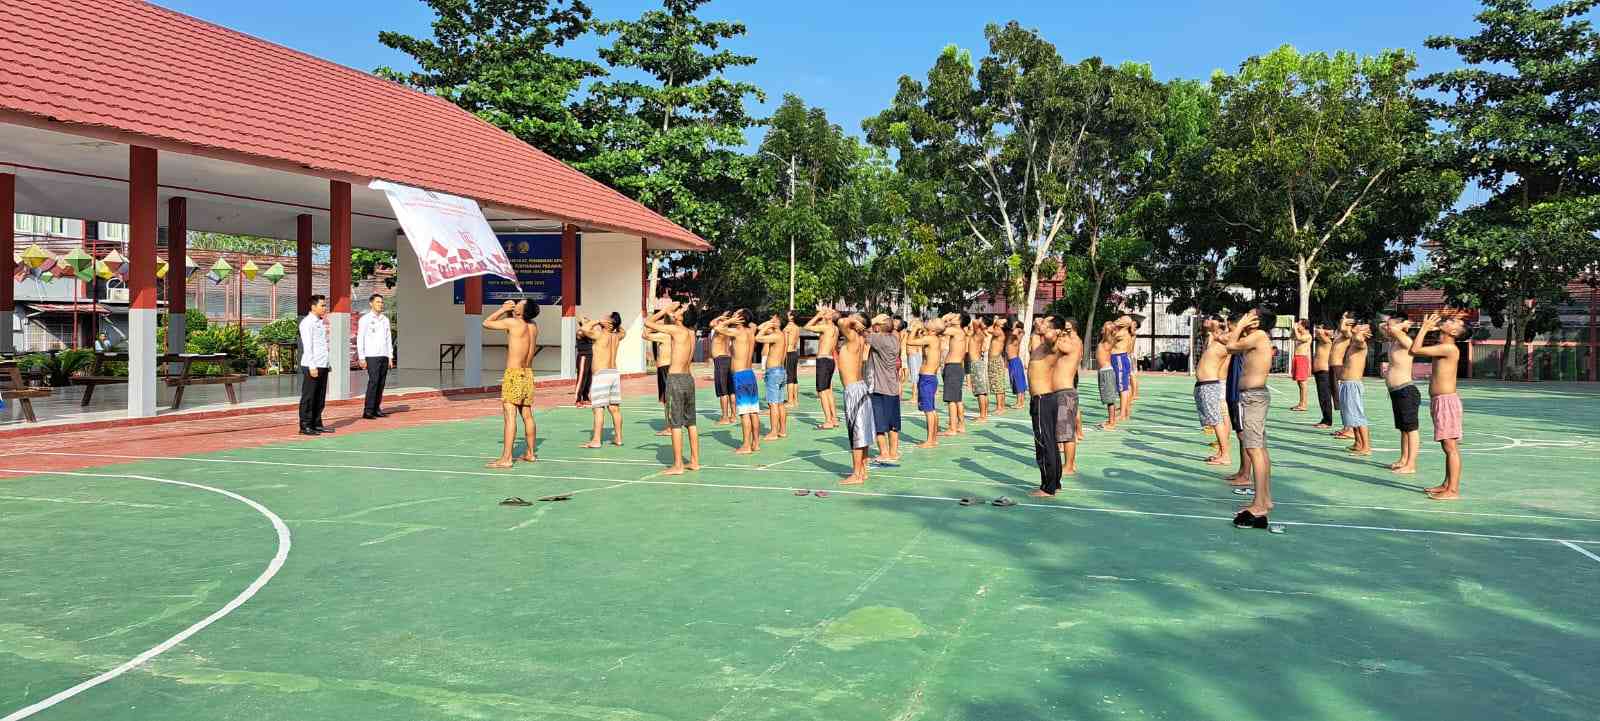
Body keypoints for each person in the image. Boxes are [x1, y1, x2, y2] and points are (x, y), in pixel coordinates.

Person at [1225, 308, 1277, 529]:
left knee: (1254, 449)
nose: (1245, 317)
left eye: (1249, 315)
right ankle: (1264, 499)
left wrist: (1240, 324)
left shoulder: (1258, 335)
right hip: (1253, 397)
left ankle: (1259, 504)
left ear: (1257, 320)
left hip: (1254, 397)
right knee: (1260, 449)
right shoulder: (1256, 337)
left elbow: (1230, 346)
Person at [1411, 313, 1469, 500]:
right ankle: (1446, 484)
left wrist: (1425, 328)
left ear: (1453, 332)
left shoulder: (1449, 348)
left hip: (1446, 401)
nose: (1449, 321)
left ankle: (1453, 490)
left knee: (1450, 446)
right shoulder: (1443, 346)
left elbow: (1415, 349)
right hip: (1440, 400)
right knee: (1447, 446)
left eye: (1453, 322)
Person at [646, 302, 701, 475]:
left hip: (676, 379)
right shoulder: (692, 333)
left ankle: (678, 465)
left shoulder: (678, 330)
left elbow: (648, 323)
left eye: (681, 311)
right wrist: (670, 313)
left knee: (675, 424)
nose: (678, 312)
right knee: (691, 423)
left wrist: (663, 310)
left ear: (682, 318)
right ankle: (694, 461)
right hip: (688, 379)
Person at [483, 300, 538, 468]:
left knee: (509, 416)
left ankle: (506, 458)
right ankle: (530, 453)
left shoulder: (513, 323)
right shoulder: (533, 326)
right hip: (527, 373)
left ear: (522, 310)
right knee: (527, 415)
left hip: (514, 374)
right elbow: (515, 333)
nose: (516, 303)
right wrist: (510, 312)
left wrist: (502, 309)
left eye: (519, 303)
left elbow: (486, 323)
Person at [835, 314, 875, 485]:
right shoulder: (857, 338)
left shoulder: (853, 337)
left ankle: (856, 474)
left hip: (854, 391)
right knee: (862, 433)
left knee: (857, 434)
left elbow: (840, 321)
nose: (850, 317)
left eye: (855, 316)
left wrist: (852, 322)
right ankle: (863, 470)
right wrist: (855, 322)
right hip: (860, 388)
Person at [717, 309, 763, 454]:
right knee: (754, 412)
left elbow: (718, 328)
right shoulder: (751, 331)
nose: (733, 316)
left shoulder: (738, 332)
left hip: (741, 376)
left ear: (740, 319)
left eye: (737, 315)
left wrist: (730, 321)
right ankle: (756, 443)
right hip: (750, 374)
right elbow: (754, 323)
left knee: (744, 413)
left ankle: (746, 445)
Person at [579, 311, 627, 448]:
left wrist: (596, 321)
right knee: (615, 408)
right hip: (613, 374)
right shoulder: (616, 336)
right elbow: (624, 331)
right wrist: (613, 324)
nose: (602, 318)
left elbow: (584, 329)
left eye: (605, 317)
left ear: (609, 323)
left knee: (598, 409)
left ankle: (596, 440)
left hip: (601, 375)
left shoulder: (600, 335)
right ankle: (618, 438)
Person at [1381, 317, 1422, 475]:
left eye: (1391, 324)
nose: (1388, 327)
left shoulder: (1405, 340)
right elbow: (1381, 326)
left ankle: (1411, 464)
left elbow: (1393, 330)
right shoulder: (1394, 342)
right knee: (1403, 429)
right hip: (1396, 391)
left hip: (1406, 391)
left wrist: (1401, 325)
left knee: (1411, 429)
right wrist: (1395, 324)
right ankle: (1403, 459)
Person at [1027, 315, 1061, 497]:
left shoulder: (1052, 345)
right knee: (1049, 441)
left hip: (1043, 400)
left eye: (1048, 324)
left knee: (1044, 443)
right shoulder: (1040, 347)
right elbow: (1035, 338)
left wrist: (1045, 327)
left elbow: (1050, 336)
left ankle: (1047, 488)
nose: (1041, 325)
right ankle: (1055, 482)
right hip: (1041, 399)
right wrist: (1039, 327)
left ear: (1056, 331)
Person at [1193, 317, 1232, 467]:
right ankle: (1221, 453)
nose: (1207, 320)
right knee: (1214, 420)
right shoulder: (1213, 339)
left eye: (1211, 319)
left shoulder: (1225, 339)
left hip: (1210, 384)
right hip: (1203, 384)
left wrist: (1221, 328)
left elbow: (1230, 335)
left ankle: (1225, 454)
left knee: (1217, 419)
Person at [864, 314, 903, 465]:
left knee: (879, 425)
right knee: (893, 424)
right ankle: (893, 453)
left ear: (879, 327)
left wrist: (874, 320)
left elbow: (862, 329)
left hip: (880, 388)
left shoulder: (879, 339)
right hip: (893, 388)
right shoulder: (895, 339)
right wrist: (884, 322)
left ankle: (884, 453)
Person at [297, 295, 333, 436]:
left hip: (322, 363)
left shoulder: (320, 322)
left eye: (325, 305)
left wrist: (327, 363)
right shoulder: (307, 323)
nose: (324, 308)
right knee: (309, 396)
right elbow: (308, 346)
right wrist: (312, 366)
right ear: (313, 307)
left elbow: (323, 345)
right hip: (312, 364)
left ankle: (316, 423)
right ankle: (305, 425)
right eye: (322, 305)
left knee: (320, 397)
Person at [1051, 320, 1083, 478]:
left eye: (1068, 330)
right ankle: (1068, 463)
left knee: (1066, 433)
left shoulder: (1075, 343)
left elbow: (1057, 344)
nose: (1064, 334)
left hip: (1065, 393)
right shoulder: (1069, 342)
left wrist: (1055, 334)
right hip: (1060, 393)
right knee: (1062, 431)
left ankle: (1069, 465)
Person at [357, 294, 394, 420]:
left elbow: (388, 338)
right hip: (371, 355)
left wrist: (390, 356)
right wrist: (361, 357)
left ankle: (376, 408)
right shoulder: (365, 319)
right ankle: (368, 410)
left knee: (381, 383)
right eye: (378, 302)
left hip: (383, 354)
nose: (381, 304)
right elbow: (360, 338)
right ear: (371, 303)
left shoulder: (385, 319)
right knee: (373, 382)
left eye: (382, 302)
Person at [907, 319, 944, 447]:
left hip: (927, 378)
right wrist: (921, 330)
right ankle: (933, 438)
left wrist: (914, 328)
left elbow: (910, 342)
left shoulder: (932, 339)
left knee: (929, 410)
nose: (928, 321)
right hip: (928, 377)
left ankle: (930, 440)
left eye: (931, 322)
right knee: (931, 410)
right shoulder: (932, 338)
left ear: (933, 330)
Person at [1339, 320, 1373, 456]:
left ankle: (1366, 447)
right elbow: (1345, 329)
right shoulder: (1353, 343)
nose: (1356, 327)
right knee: (1351, 416)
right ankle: (1358, 443)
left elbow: (1358, 337)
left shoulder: (1361, 344)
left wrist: (1361, 332)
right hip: (1347, 384)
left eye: (1361, 326)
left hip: (1352, 384)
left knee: (1358, 416)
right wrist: (1345, 320)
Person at [804, 309, 840, 429]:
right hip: (830, 361)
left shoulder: (826, 327)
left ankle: (828, 420)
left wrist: (817, 315)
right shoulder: (835, 328)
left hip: (823, 361)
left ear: (831, 317)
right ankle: (834, 418)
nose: (825, 311)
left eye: (829, 312)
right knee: (828, 391)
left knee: (822, 391)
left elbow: (807, 326)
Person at [756, 313, 789, 440]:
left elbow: (758, 337)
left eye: (774, 318)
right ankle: (782, 430)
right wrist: (769, 324)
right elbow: (760, 328)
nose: (771, 320)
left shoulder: (776, 335)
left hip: (774, 372)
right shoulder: (782, 334)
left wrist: (768, 326)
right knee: (780, 403)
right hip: (780, 371)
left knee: (773, 404)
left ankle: (774, 432)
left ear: (779, 322)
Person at [940, 312, 969, 436]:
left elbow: (939, 328)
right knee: (957, 399)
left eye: (956, 317)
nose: (953, 317)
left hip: (953, 367)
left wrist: (945, 317)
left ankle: (952, 428)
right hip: (956, 367)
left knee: (951, 400)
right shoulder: (961, 332)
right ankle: (960, 425)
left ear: (959, 321)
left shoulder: (957, 331)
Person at [1329, 314, 1354, 438]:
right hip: (1335, 368)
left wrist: (1344, 318)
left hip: (1341, 368)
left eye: (1344, 321)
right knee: (1342, 400)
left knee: (1346, 401)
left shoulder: (1348, 333)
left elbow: (1344, 328)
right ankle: (1346, 427)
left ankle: (1350, 429)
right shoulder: (1340, 333)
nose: (1341, 322)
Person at [709, 311, 735, 424]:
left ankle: (725, 417)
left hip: (720, 360)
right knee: (731, 390)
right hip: (729, 359)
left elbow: (711, 323)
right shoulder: (729, 331)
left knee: (723, 391)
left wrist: (721, 317)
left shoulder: (719, 330)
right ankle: (733, 415)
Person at [1111, 315, 1137, 420]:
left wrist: (1114, 323)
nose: (1119, 319)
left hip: (1119, 359)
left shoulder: (1121, 333)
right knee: (1123, 387)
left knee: (1122, 388)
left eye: (1121, 319)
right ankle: (1125, 411)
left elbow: (1107, 333)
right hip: (1121, 358)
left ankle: (1122, 414)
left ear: (1125, 324)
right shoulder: (1125, 332)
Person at [1095, 322, 1120, 430]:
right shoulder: (1103, 341)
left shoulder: (1108, 341)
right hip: (1103, 372)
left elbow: (1112, 335)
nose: (1102, 328)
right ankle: (1110, 420)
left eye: (1104, 327)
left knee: (1110, 399)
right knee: (1107, 398)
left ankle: (1112, 422)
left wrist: (1110, 327)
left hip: (1107, 372)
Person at [965, 316, 990, 423]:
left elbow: (974, 322)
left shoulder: (979, 333)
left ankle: (983, 416)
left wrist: (979, 321)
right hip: (977, 363)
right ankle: (983, 414)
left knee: (981, 392)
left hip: (976, 364)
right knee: (982, 392)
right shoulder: (979, 333)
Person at [1311, 323, 1335, 428]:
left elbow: (1319, 332)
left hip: (1324, 372)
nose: (1317, 330)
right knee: (1322, 397)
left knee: (1325, 397)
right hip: (1319, 372)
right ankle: (1324, 418)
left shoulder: (1327, 341)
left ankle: (1327, 421)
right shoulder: (1321, 341)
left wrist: (1324, 330)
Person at [987, 316, 1010, 413]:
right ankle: (1001, 406)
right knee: (998, 384)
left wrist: (994, 322)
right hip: (994, 360)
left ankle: (1000, 407)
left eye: (1001, 321)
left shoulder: (999, 332)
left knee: (998, 385)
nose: (998, 321)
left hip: (996, 361)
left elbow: (989, 329)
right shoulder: (998, 331)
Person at [1290, 319, 1312, 411]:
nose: (1297, 325)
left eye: (1299, 324)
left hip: (1302, 359)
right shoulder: (1299, 334)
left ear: (1303, 326)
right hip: (1297, 358)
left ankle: (1304, 405)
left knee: (1303, 383)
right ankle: (1301, 403)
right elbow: (1292, 337)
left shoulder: (1307, 335)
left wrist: (1295, 329)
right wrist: (1293, 329)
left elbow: (1299, 338)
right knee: (1299, 382)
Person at [1006, 322, 1028, 409]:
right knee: (1017, 382)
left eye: (1014, 324)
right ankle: (1020, 402)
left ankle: (1019, 403)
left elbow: (1022, 332)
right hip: (1012, 361)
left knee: (1018, 382)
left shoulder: (1016, 337)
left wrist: (1018, 328)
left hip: (1015, 361)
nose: (1012, 325)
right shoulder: (1013, 337)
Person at [574, 323, 594, 408]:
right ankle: (578, 399)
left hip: (590, 357)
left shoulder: (590, 333)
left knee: (589, 378)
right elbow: (581, 334)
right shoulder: (580, 332)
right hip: (583, 357)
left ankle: (585, 397)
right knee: (581, 378)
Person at [784, 310, 802, 408]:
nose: (787, 315)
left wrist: (783, 355)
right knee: (794, 378)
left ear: (792, 317)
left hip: (789, 352)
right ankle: (795, 400)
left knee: (790, 378)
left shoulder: (788, 327)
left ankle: (790, 401)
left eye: (789, 314)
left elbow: (786, 343)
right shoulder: (797, 328)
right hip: (795, 352)